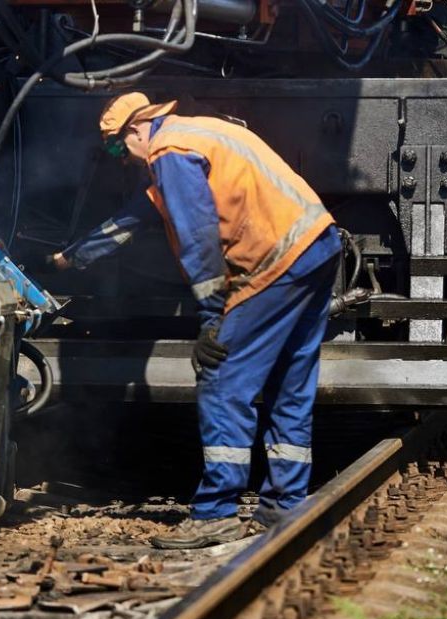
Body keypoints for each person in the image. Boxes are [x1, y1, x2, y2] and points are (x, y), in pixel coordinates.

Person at [51, 92, 341, 548]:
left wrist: (211, 319)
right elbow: (136, 216)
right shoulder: (198, 132)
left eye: (114, 148)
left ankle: (216, 513)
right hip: (317, 244)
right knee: (290, 380)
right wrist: (72, 257)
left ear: (135, 130)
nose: (121, 160)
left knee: (220, 374)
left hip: (275, 260)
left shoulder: (170, 152)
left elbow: (198, 237)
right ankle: (286, 505)